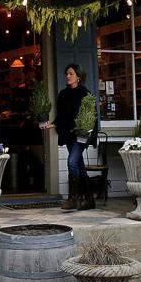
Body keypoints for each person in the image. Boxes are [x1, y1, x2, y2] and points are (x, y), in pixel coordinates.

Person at [40, 63, 97, 211]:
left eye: (71, 74)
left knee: (72, 162)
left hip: (82, 134)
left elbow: (92, 116)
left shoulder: (86, 94)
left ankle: (74, 199)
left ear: (78, 76)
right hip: (70, 135)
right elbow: (62, 117)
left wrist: (91, 133)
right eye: (67, 74)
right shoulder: (63, 94)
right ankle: (89, 200)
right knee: (79, 165)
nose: (68, 76)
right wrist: (52, 124)